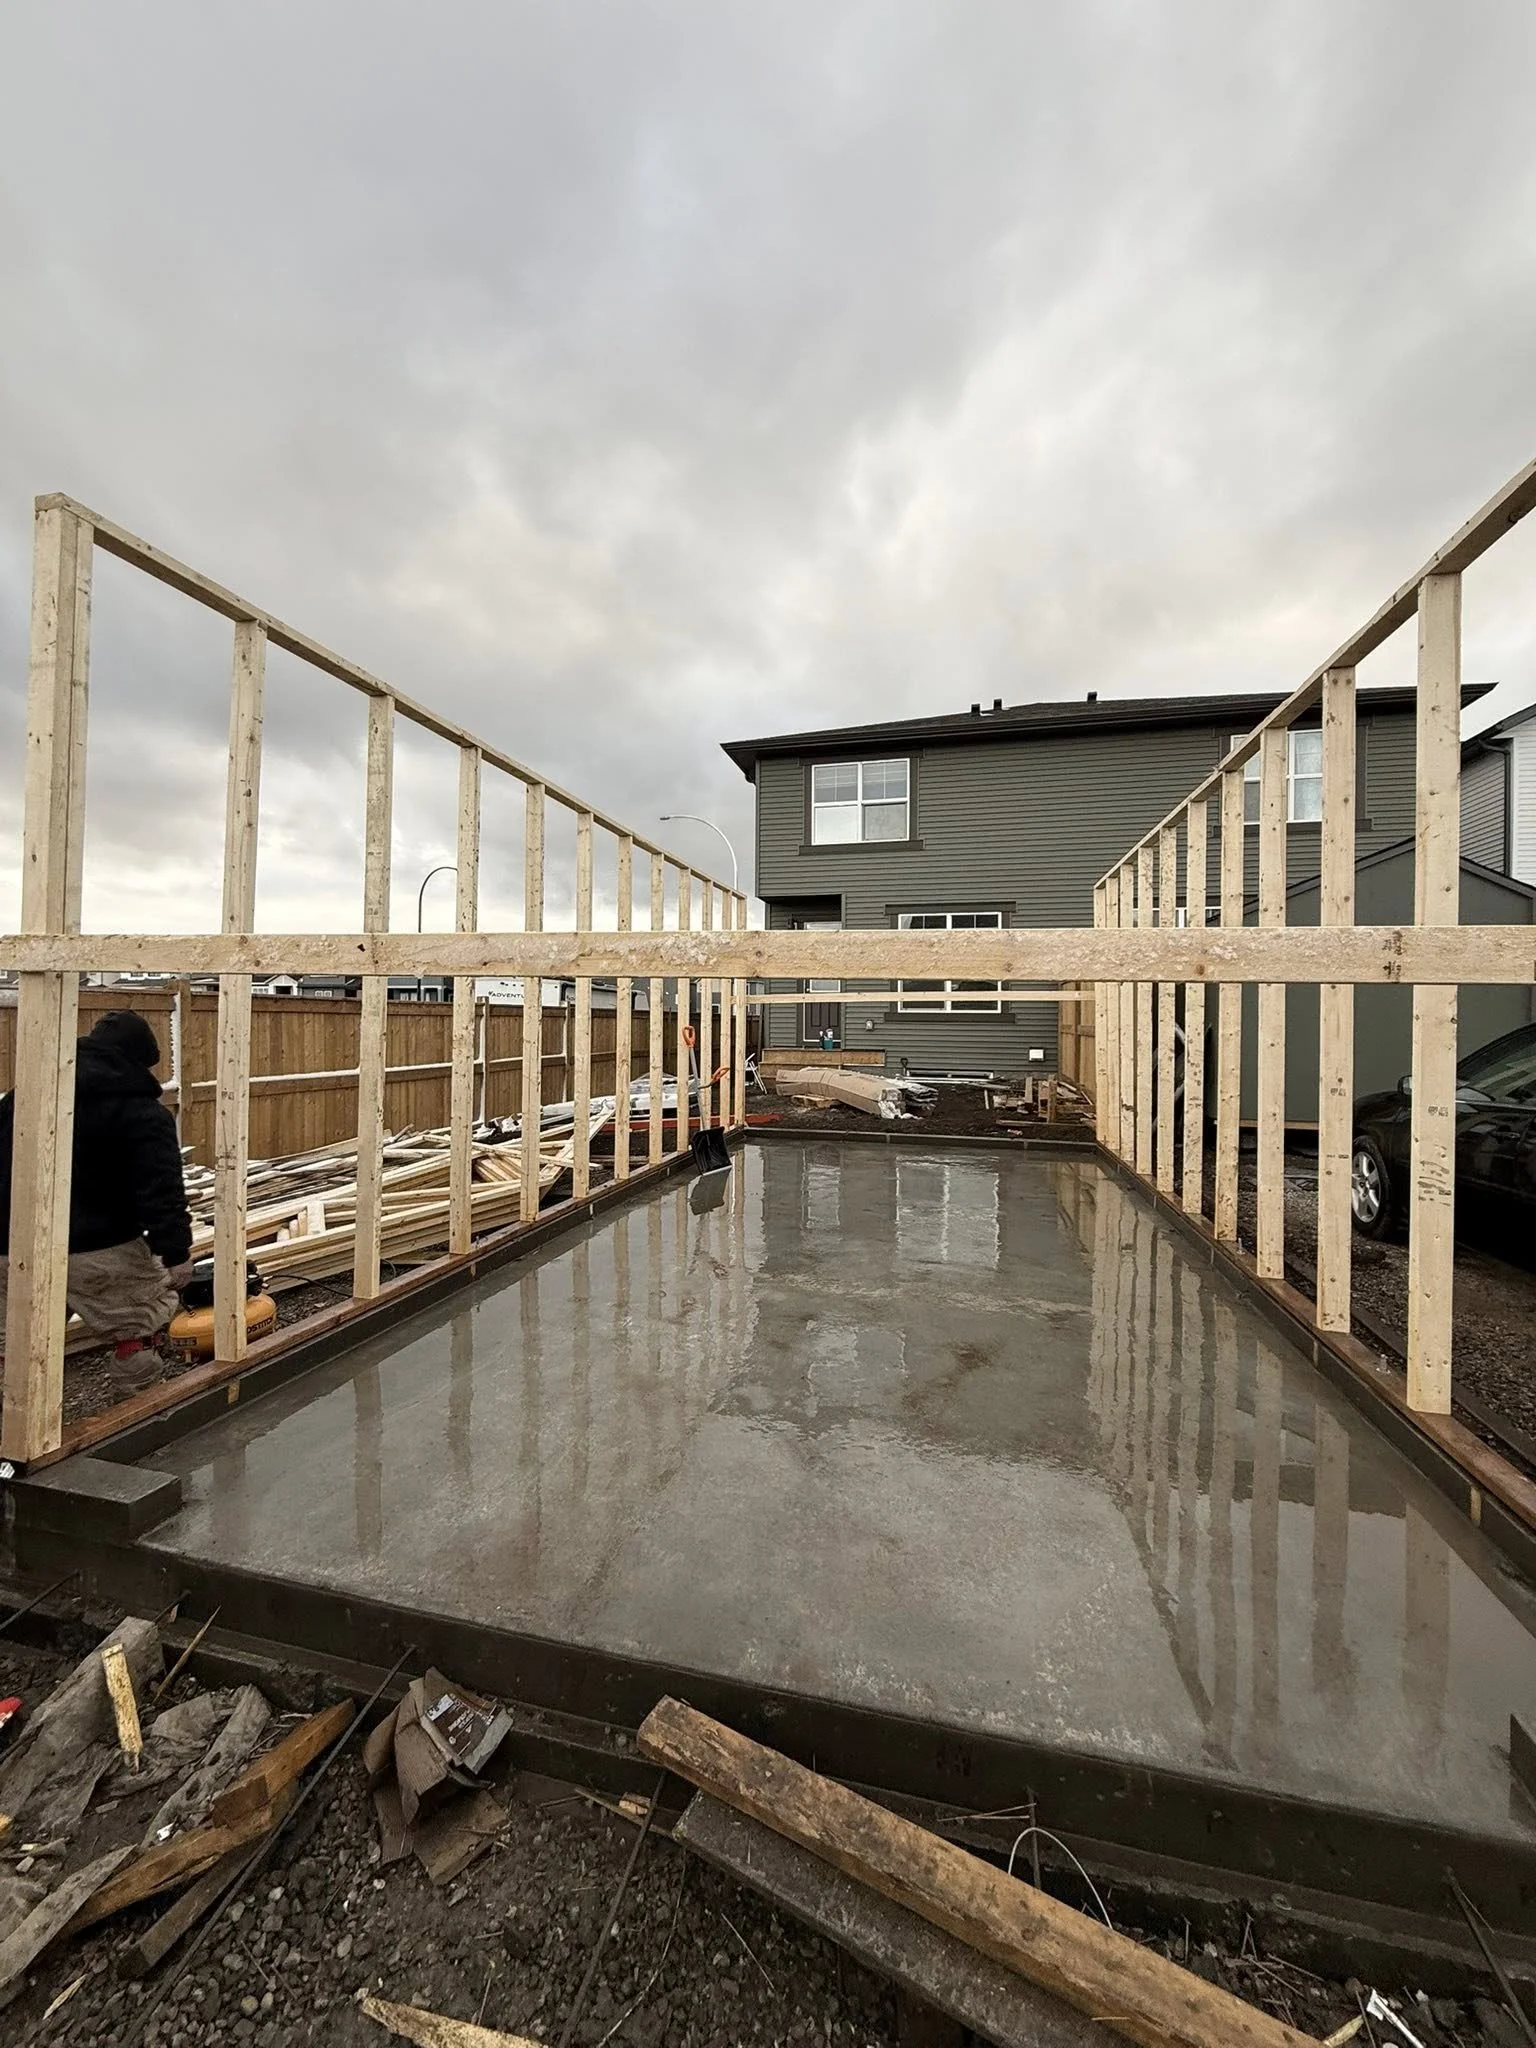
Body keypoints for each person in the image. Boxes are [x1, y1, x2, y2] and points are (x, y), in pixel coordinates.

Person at [0, 1010, 194, 1392]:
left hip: (9, 1245)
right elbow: (159, 1188)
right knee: (141, 1323)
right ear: (138, 1060)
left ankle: (16, 1427)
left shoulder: (24, 1097)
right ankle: (137, 1427)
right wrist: (176, 1254)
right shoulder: (141, 1113)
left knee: (16, 1339)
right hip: (97, 1247)